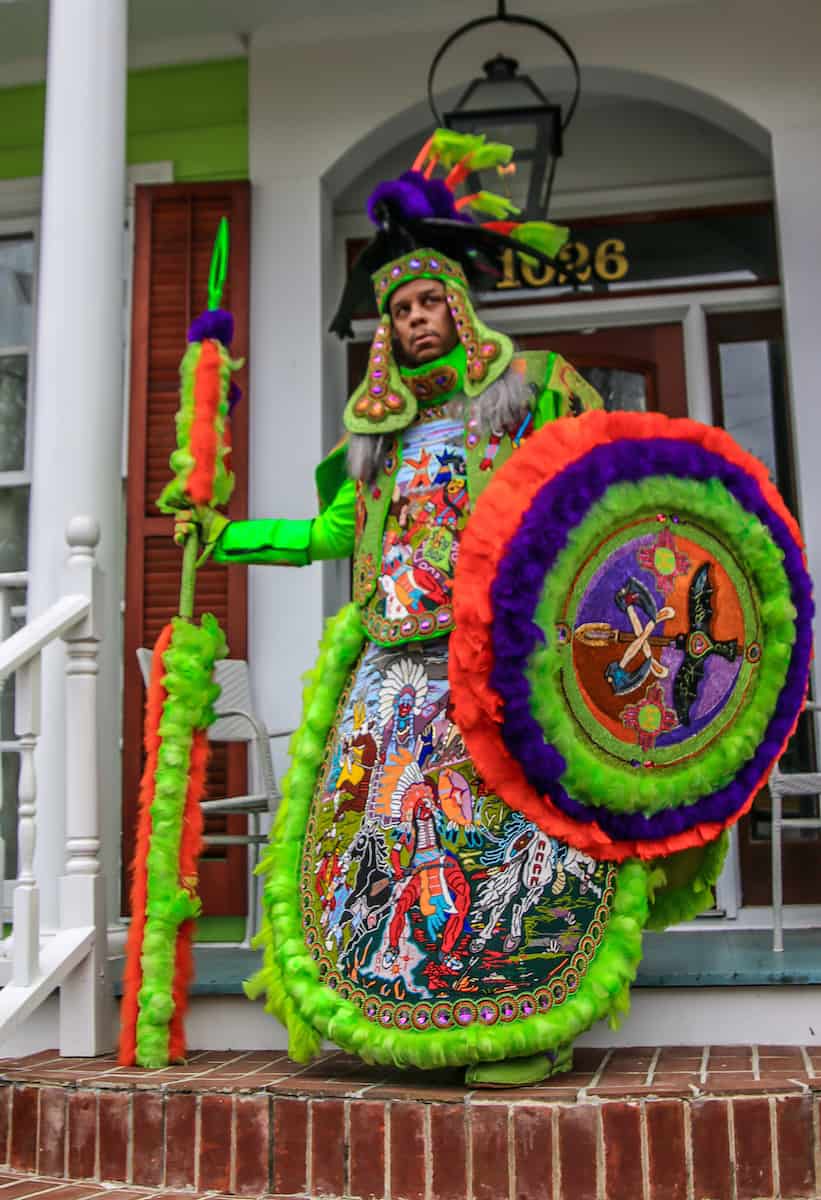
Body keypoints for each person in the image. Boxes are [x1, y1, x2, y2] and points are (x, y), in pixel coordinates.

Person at [179, 133, 639, 1086]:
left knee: (514, 845)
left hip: (497, 664)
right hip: (392, 673)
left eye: (431, 301)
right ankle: (408, 1020)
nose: (417, 319)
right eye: (399, 310)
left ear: (462, 308)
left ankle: (525, 1025)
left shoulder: (531, 394)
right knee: (392, 843)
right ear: (384, 332)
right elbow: (330, 534)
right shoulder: (377, 444)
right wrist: (222, 535)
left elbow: (603, 489)